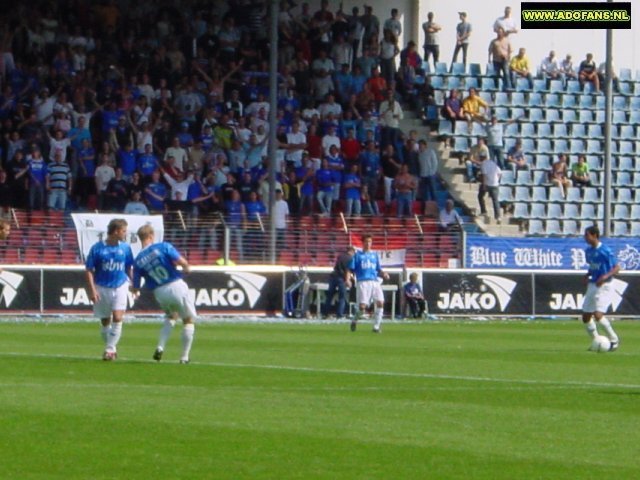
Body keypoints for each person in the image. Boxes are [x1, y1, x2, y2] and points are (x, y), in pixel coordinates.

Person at [132, 224, 196, 364]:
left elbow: (135, 286)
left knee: (171, 316)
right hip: (175, 285)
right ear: (150, 236)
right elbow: (180, 261)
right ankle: (184, 357)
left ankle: (160, 347)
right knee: (188, 320)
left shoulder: (138, 260)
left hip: (159, 292)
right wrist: (186, 268)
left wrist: (134, 291)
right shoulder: (163, 247)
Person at [85, 218, 134, 361]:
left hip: (120, 285)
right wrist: (92, 290)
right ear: (116, 231)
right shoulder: (97, 248)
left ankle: (109, 349)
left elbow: (129, 267)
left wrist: (132, 284)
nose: (125, 234)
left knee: (118, 317)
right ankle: (111, 347)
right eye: (124, 231)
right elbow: (89, 270)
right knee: (105, 321)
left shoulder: (125, 248)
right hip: (101, 286)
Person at [582, 225, 620, 351]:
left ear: (595, 235)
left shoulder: (605, 250)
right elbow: (593, 267)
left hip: (604, 285)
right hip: (593, 284)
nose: (585, 238)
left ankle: (614, 340)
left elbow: (617, 268)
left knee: (598, 314)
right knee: (586, 316)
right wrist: (587, 275)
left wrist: (605, 277)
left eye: (587, 235)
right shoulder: (588, 251)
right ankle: (596, 340)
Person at [346, 234, 390, 333]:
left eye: (370, 241)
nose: (368, 243)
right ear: (363, 243)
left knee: (380, 303)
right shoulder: (357, 255)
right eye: (366, 241)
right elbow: (350, 269)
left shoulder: (375, 255)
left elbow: (378, 269)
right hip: (363, 282)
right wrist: (348, 279)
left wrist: (384, 274)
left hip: (374, 281)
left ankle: (376, 327)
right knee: (362, 308)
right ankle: (354, 320)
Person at [322, 245, 356, 319]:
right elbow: (348, 270)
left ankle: (325, 313)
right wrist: (349, 279)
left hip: (333, 277)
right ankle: (339, 314)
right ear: (352, 251)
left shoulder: (340, 256)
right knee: (342, 297)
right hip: (342, 278)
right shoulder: (350, 258)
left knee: (329, 296)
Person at [477, 151, 502, 224]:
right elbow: (499, 173)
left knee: (480, 196)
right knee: (495, 201)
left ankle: (483, 211)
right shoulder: (492, 163)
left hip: (488, 184)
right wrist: (497, 180)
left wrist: (484, 185)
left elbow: (484, 175)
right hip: (495, 184)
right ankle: (498, 217)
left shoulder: (483, 164)